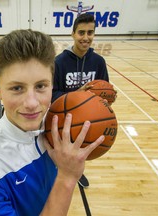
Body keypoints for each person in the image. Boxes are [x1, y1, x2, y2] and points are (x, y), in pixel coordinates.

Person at [0, 29, 104, 216]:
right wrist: (67, 178)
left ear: (52, 84)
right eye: (17, 88)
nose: (32, 103)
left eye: (41, 86)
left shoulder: (58, 127)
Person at [52, 13, 110, 187]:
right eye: (81, 33)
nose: (86, 38)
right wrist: (78, 94)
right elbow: (52, 94)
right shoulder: (59, 62)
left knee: (81, 151)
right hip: (63, 116)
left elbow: (104, 91)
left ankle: (78, 173)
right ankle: (56, 174)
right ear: (73, 34)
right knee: (59, 151)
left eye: (90, 33)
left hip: (87, 117)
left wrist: (108, 99)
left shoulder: (99, 62)